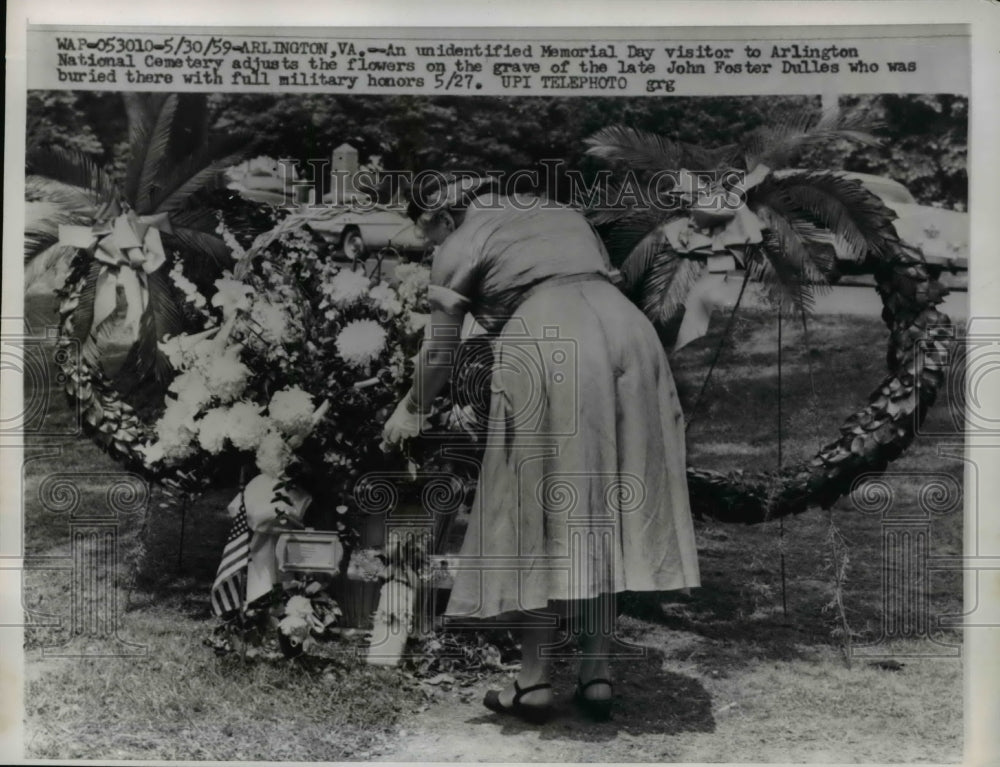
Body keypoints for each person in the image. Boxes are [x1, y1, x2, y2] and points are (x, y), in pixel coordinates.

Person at [382, 174, 699, 723]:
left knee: (532, 509)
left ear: (441, 219)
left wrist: (411, 406)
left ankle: (532, 683)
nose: (431, 248)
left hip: (551, 342)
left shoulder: (459, 244)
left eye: (426, 236)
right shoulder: (553, 210)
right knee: (608, 502)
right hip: (629, 334)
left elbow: (439, 356)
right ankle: (596, 674)